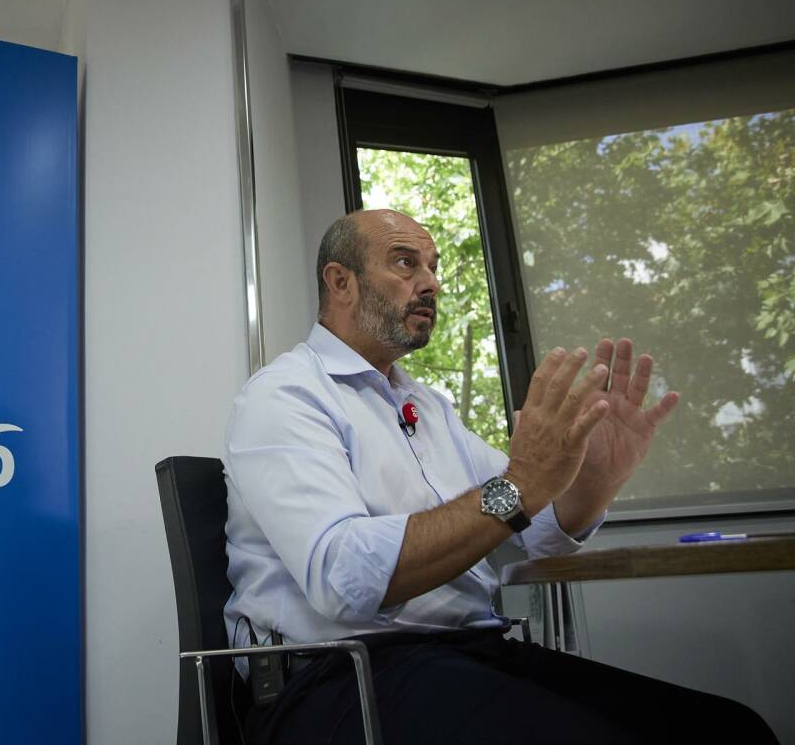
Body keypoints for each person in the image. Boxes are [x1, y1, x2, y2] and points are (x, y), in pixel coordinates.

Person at [222, 209, 777, 744]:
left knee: (731, 728)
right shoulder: (287, 394)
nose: (431, 282)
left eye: (434, 266)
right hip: (341, 680)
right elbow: (343, 578)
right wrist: (527, 481)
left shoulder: (429, 407)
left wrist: (591, 481)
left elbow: (526, 529)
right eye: (405, 263)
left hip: (467, 655)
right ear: (340, 282)